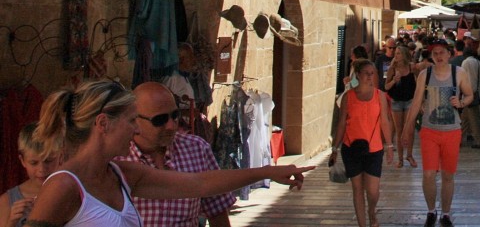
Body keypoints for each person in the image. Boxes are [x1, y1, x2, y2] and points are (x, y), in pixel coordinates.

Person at [25, 79, 312, 227]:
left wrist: (269, 172)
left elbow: (200, 184)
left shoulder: (122, 175)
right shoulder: (64, 186)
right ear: (103, 124)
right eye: (129, 121)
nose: (134, 131)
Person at [115, 82, 234, 227]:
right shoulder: (117, 158)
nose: (171, 126)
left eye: (175, 115)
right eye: (160, 120)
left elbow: (217, 211)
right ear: (134, 119)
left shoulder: (196, 149)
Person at [400, 37, 474, 227]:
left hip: (452, 131)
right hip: (429, 131)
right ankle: (431, 210)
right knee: (428, 174)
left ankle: (446, 213)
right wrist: (406, 129)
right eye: (435, 53)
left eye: (442, 52)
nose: (439, 56)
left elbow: (469, 94)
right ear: (431, 56)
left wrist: (462, 102)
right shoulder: (425, 74)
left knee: (448, 175)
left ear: (449, 54)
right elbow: (416, 102)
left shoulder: (459, 73)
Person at [330, 59, 394, 227]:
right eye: (366, 73)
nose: (369, 77)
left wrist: (389, 145)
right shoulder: (348, 97)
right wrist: (335, 148)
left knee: (373, 191)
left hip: (374, 148)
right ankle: (362, 224)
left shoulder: (380, 96)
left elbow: (385, 121)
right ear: (357, 75)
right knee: (357, 188)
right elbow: (342, 123)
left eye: (372, 73)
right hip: (351, 147)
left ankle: (372, 212)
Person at [0, 124, 60, 227]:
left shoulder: (72, 191)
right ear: (22, 161)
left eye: (48, 161)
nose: (41, 169)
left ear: (60, 156)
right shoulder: (7, 201)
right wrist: (11, 223)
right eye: (33, 163)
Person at [383, 45, 418, 168]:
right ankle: (400, 159)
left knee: (410, 129)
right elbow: (386, 87)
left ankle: (409, 155)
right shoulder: (392, 69)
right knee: (399, 130)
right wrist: (394, 80)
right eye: (395, 53)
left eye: (398, 53)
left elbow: (418, 83)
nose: (395, 55)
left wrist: (420, 101)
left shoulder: (411, 67)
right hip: (396, 101)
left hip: (409, 100)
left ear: (404, 55)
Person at [459, 42, 480, 149]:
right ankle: (457, 139)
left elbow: (463, 78)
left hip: (468, 94)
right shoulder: (478, 62)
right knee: (465, 120)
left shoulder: (465, 63)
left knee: (473, 120)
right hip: (475, 92)